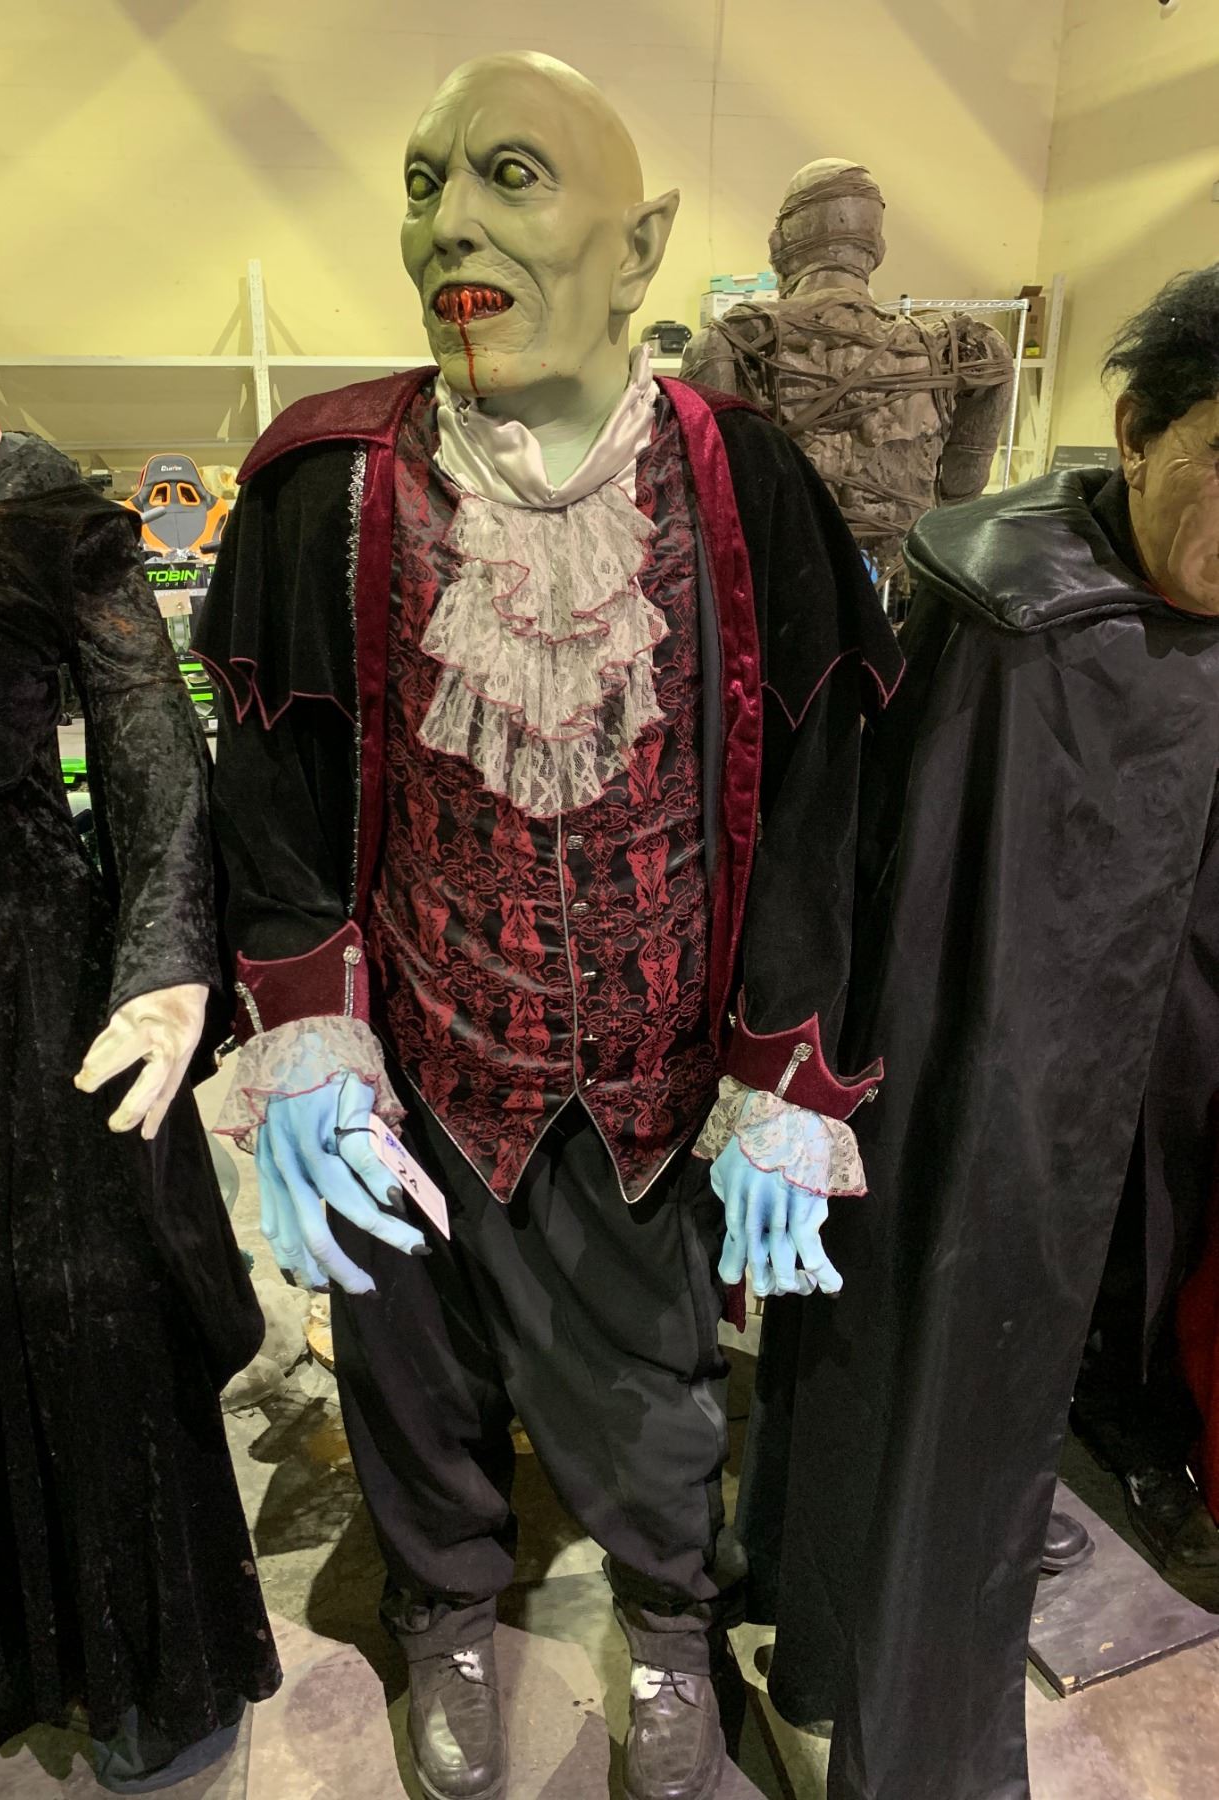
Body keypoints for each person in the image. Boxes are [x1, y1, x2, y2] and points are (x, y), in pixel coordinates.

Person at [197, 52, 900, 1800]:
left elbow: (818, 802)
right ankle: (445, 1606)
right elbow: (272, 782)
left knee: (653, 1383)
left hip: (649, 1070)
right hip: (414, 1051)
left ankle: (667, 1615)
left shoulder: (747, 484)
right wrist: (307, 1028)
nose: (449, 223)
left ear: (638, 245)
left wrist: (782, 1072)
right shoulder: (324, 485)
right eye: (424, 181)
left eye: (509, 175)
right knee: (406, 1365)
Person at [741, 263, 1219, 1800]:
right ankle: (906, 1741)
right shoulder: (1004, 615)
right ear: (1134, 431)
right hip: (986, 1106)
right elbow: (878, 882)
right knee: (929, 1398)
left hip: (1159, 1093)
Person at [0, 152, 280, 1791]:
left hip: (27, 972)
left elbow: (156, 754)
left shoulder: (27, 491)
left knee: (80, 1307)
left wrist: (166, 965)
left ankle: (133, 1664)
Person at [681, 158, 1013, 591]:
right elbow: (959, 494)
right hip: (899, 592)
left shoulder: (729, 344)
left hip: (782, 591)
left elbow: (709, 507)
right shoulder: (965, 351)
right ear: (878, 249)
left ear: (777, 245)